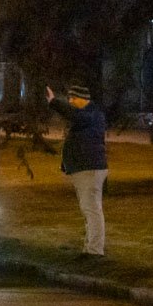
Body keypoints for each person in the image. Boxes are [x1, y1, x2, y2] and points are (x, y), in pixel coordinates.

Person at [46, 83, 108, 257]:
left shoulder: (91, 114)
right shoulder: (88, 115)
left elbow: (74, 115)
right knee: (88, 209)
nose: (71, 102)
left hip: (89, 170)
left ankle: (95, 251)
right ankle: (90, 249)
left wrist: (54, 102)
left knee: (92, 209)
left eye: (73, 98)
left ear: (83, 99)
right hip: (85, 169)